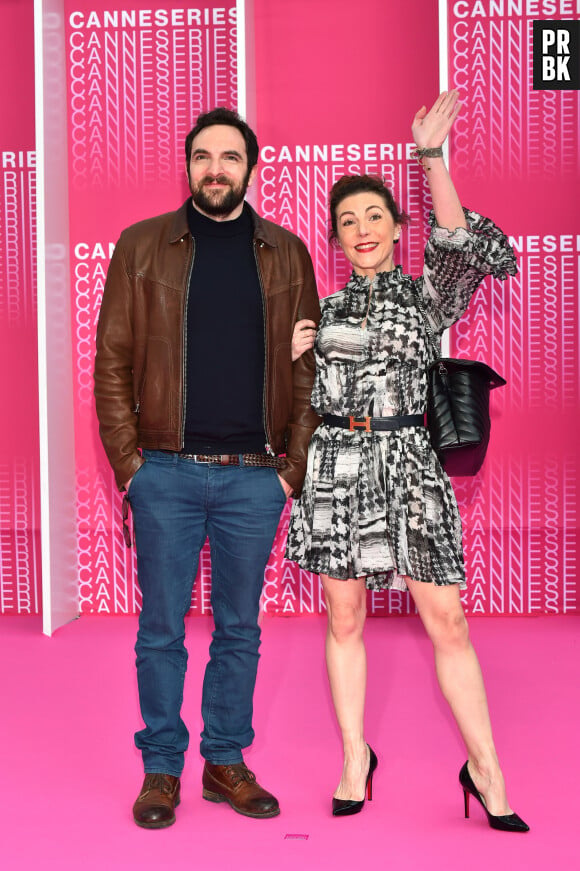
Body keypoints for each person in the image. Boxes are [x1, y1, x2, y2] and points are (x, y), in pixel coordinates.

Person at [286, 91, 529, 831]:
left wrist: (430, 158)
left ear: (396, 227)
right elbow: (297, 391)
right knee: (345, 615)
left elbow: (458, 243)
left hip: (408, 462)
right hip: (337, 466)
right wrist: (298, 351)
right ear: (336, 238)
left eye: (374, 217)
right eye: (347, 221)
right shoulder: (323, 312)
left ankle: (485, 768)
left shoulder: (424, 298)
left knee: (446, 620)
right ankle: (356, 756)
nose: (361, 229)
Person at [94, 107, 321, 828]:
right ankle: (161, 768)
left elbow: (312, 372)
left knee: (240, 630)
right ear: (187, 165)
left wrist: (291, 470)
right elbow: (111, 363)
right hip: (165, 472)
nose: (215, 168)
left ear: (252, 168)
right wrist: (131, 466)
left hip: (255, 475)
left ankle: (225, 759)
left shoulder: (286, 253)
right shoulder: (141, 246)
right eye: (202, 156)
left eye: (229, 157)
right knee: (159, 628)